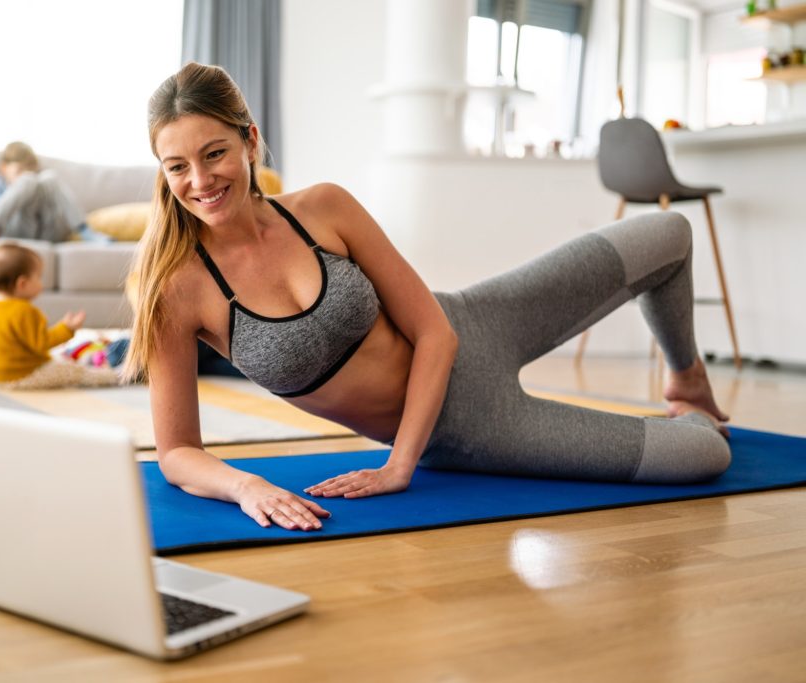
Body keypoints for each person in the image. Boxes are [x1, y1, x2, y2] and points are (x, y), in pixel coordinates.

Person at [122, 63, 731, 533]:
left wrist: (397, 469)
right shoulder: (177, 289)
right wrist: (244, 486)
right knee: (704, 452)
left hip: (475, 319)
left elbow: (436, 331)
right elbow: (176, 452)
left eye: (215, 153)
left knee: (669, 234)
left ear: (250, 141)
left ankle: (686, 379)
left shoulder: (322, 208)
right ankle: (692, 410)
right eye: (177, 167)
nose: (200, 182)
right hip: (467, 425)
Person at [0, 242, 120, 390]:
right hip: (23, 375)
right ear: (22, 283)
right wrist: (67, 328)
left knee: (59, 361)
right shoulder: (23, 311)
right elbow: (43, 343)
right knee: (71, 371)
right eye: (38, 277)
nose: (41, 284)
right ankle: (115, 376)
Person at [0, 141, 110, 244]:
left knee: (50, 177)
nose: (25, 174)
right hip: (14, 232)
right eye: (19, 171)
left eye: (30, 170)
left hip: (47, 232)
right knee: (28, 180)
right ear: (3, 168)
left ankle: (85, 232)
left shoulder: (39, 182)